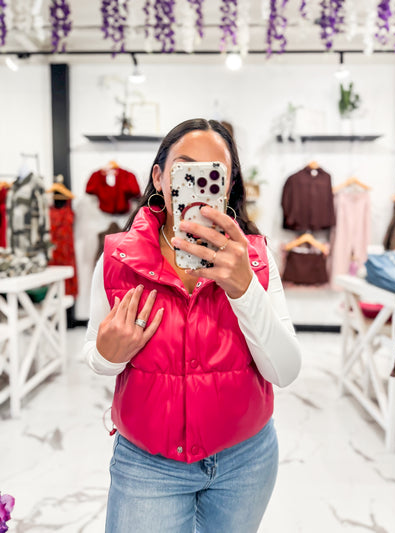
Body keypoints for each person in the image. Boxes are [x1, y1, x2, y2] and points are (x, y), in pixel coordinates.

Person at [83, 118, 301, 533]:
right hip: (148, 465)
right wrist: (104, 357)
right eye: (185, 168)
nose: (199, 182)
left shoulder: (254, 259)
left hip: (246, 460)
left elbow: (285, 371)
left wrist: (243, 288)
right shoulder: (118, 259)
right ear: (159, 177)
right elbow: (98, 353)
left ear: (229, 183)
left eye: (214, 172)